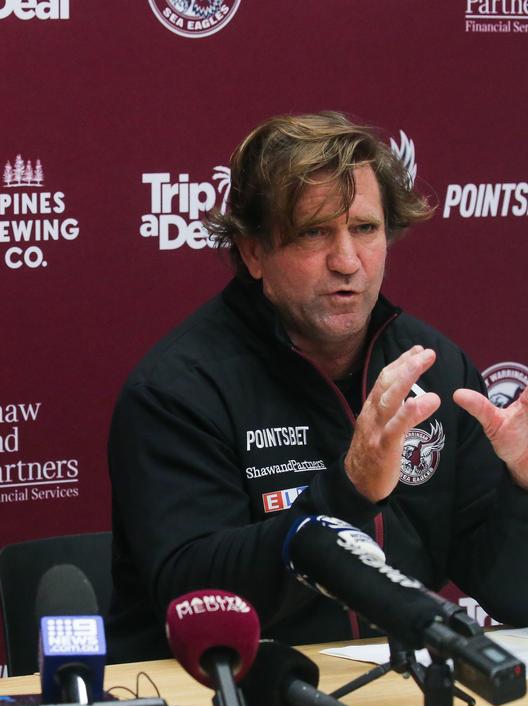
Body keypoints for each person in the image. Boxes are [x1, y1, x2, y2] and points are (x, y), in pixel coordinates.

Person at [106, 112, 528, 662]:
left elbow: (509, 592)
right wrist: (349, 491)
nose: (347, 261)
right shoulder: (177, 392)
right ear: (253, 252)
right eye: (313, 232)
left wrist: (523, 488)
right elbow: (197, 600)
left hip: (395, 692)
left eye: (365, 229)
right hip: (228, 698)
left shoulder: (434, 368)